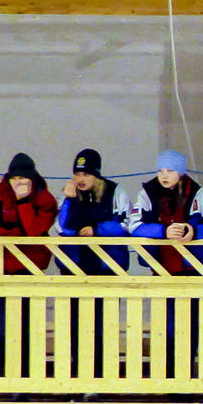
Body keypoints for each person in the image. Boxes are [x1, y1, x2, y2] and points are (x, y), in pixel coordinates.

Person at [129, 150, 203, 378]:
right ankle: (168, 376)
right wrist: (163, 231)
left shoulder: (198, 194)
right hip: (161, 269)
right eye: (160, 170)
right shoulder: (147, 193)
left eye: (170, 170)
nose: (164, 175)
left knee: (189, 325)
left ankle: (185, 377)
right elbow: (134, 225)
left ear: (181, 172)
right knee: (165, 326)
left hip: (192, 269)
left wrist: (194, 231)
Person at [57, 148, 131, 380]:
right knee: (76, 326)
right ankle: (78, 378)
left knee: (104, 326)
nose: (80, 179)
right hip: (75, 269)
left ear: (97, 175)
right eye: (77, 174)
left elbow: (126, 225)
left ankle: (102, 378)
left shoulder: (115, 192)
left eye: (86, 174)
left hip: (107, 269)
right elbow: (61, 227)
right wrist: (69, 200)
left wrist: (97, 230)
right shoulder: (68, 194)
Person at [0, 152, 58, 380]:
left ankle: (27, 373)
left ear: (32, 179)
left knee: (28, 324)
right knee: (2, 324)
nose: (19, 183)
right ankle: (4, 373)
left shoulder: (45, 199)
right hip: (1, 266)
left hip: (30, 267)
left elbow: (34, 231)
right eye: (15, 179)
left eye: (23, 179)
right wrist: (17, 234)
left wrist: (23, 201)